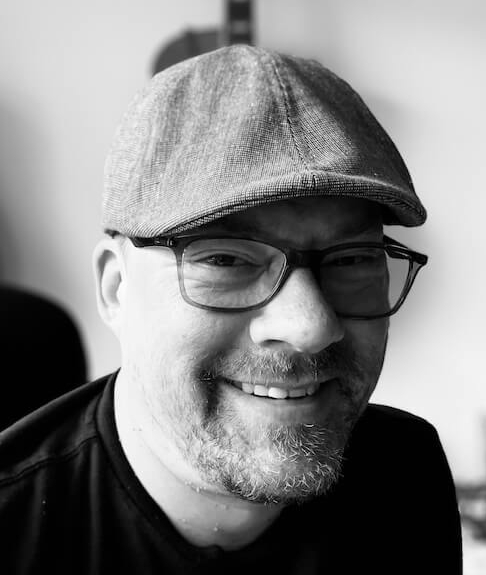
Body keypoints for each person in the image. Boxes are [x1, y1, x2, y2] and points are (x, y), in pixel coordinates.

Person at [0, 45, 462, 574]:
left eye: (354, 257)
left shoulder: (405, 470)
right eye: (224, 259)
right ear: (115, 287)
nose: (310, 326)